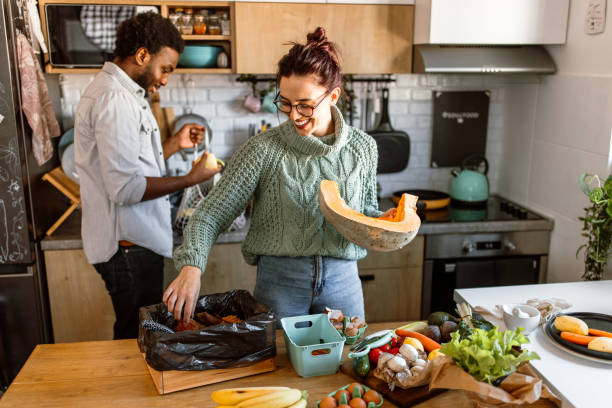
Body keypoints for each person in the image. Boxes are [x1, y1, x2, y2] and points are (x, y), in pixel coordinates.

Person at [164, 27, 393, 324]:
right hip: (280, 284)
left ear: (333, 95)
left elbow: (365, 214)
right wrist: (191, 267)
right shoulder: (262, 151)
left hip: (343, 281)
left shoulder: (363, 148)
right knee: (278, 366)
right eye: (285, 103)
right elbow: (210, 214)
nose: (294, 115)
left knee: (346, 363)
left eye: (305, 105)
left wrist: (390, 224)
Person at [74, 12, 221, 339]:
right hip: (127, 249)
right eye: (165, 68)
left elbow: (131, 164)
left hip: (135, 245)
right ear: (142, 55)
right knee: (135, 340)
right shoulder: (114, 99)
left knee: (141, 336)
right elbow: (126, 188)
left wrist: (173, 144)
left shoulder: (122, 94)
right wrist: (192, 178)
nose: (166, 79)